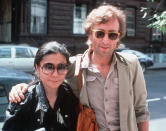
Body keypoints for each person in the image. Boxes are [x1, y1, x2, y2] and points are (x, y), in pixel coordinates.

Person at [8, 4, 149, 131]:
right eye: (100, 33)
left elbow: (141, 110)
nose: (106, 40)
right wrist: (23, 88)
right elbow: (49, 77)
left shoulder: (131, 64)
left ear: (118, 38)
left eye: (112, 35)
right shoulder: (73, 65)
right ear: (90, 34)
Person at [3, 41, 78, 131]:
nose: (55, 74)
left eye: (61, 67)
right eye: (48, 67)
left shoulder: (69, 97)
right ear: (37, 67)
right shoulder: (23, 99)